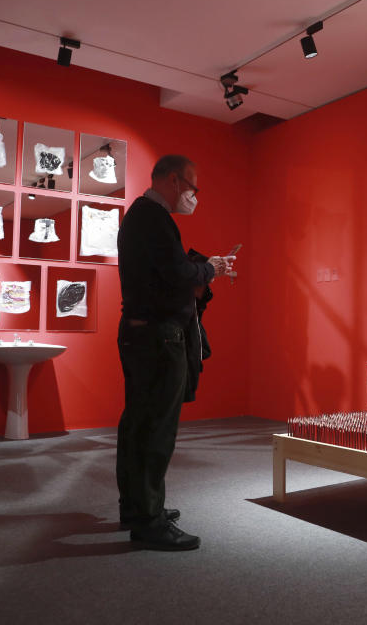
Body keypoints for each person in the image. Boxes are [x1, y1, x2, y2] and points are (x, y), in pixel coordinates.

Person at [115, 155, 234, 551]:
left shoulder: (140, 216)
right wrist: (210, 269)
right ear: (173, 179)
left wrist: (200, 269)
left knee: (138, 423)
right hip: (158, 338)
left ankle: (137, 507)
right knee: (156, 429)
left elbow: (166, 272)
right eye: (192, 187)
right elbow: (179, 275)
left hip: (140, 334)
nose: (193, 195)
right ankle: (148, 521)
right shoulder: (154, 217)